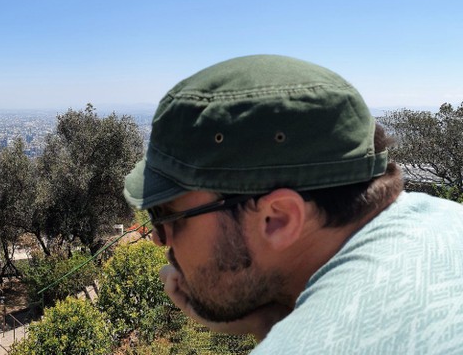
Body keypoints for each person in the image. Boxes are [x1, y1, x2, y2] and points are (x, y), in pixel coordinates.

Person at [123, 55, 463, 353]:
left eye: (166, 214)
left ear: (278, 218)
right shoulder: (446, 220)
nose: (157, 237)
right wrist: (272, 324)